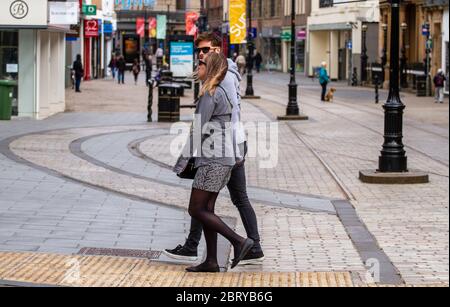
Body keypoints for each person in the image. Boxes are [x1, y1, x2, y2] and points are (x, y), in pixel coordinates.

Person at [165, 32, 264, 268]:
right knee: (207, 207)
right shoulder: (215, 84)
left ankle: (242, 243)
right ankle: (210, 258)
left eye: (205, 52)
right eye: (199, 52)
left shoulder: (219, 83)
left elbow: (201, 128)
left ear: (216, 53)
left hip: (222, 151)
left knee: (202, 207)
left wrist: (182, 163)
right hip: (225, 151)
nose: (200, 56)